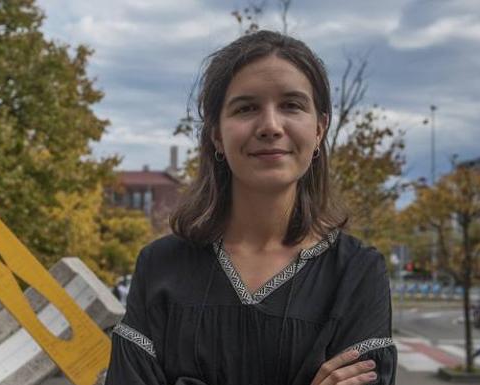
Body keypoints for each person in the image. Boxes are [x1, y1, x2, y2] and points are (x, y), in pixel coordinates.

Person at [105, 30, 397, 385]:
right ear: (216, 134)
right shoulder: (160, 266)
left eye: (291, 105)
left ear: (319, 129)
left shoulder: (356, 273)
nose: (271, 126)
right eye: (246, 108)